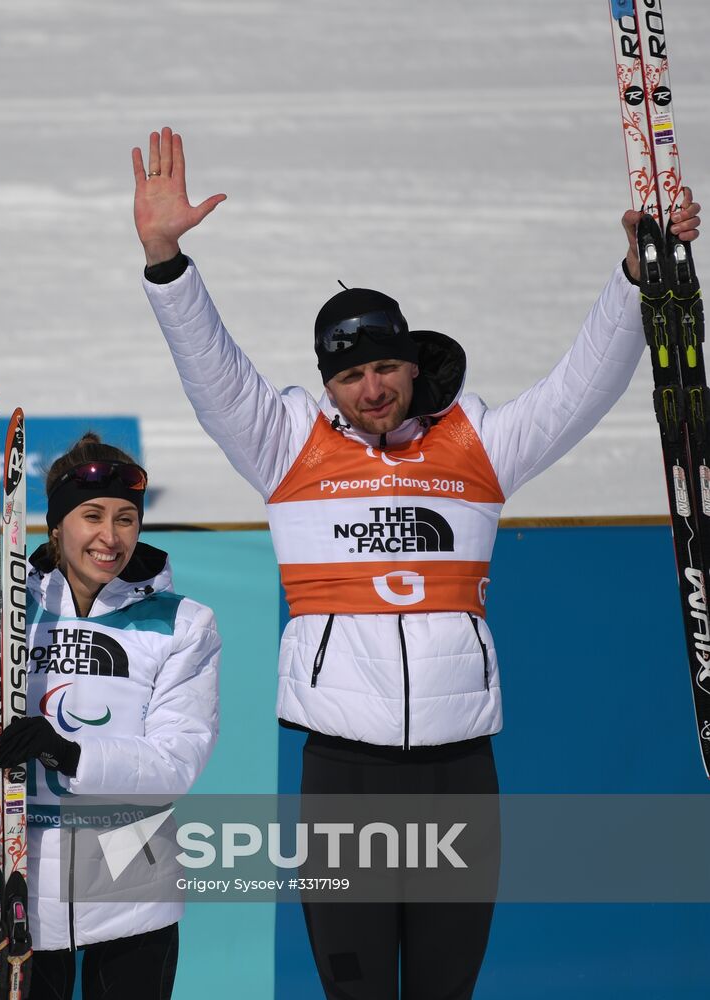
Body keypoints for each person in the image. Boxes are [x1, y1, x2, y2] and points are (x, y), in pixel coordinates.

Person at [131, 127, 701, 1000]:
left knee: (443, 991)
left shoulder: (477, 443)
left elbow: (579, 388)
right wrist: (166, 262)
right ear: (327, 384)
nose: (372, 388)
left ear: (412, 362)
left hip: (457, 770)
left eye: (386, 366)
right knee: (355, 989)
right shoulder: (282, 444)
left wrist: (634, 278)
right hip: (342, 771)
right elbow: (211, 372)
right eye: (350, 375)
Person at [0, 433, 221, 1000]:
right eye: (92, 516)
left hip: (134, 895)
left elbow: (176, 761)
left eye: (126, 519)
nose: (110, 536)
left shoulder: (183, 624)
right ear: (56, 526)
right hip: (22, 893)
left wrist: (68, 753)